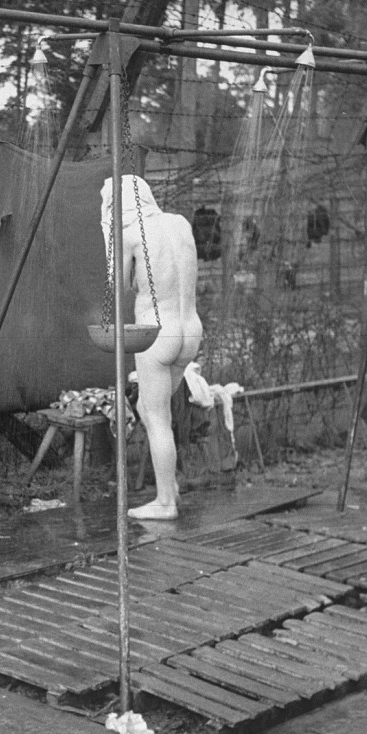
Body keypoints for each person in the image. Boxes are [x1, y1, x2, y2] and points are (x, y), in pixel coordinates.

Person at [100, 175, 203, 520]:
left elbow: (120, 284)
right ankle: (168, 484)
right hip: (190, 329)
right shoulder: (180, 223)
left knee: (156, 417)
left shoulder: (128, 234)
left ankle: (165, 503)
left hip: (157, 331)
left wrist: (108, 233)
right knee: (150, 407)